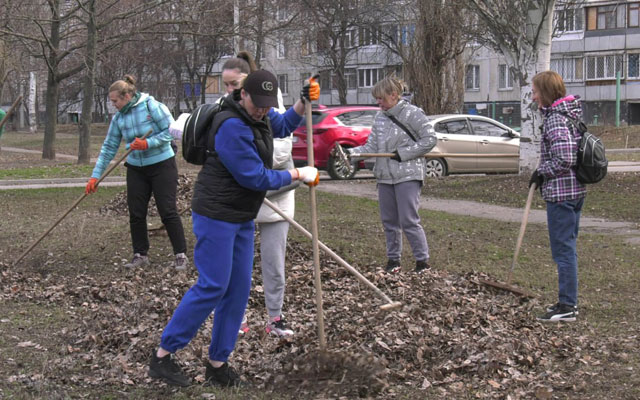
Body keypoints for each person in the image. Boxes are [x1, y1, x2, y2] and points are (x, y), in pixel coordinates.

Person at [148, 70, 320, 387]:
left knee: (238, 289)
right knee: (213, 285)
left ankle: (218, 363)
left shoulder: (258, 115)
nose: (264, 111)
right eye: (259, 104)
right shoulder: (230, 126)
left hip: (241, 214)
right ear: (244, 95)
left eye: (269, 105)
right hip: (216, 214)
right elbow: (254, 177)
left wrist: (301, 103)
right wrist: (298, 175)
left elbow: (279, 126)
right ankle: (162, 356)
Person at [86, 75, 189, 270]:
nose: (113, 105)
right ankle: (140, 254)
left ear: (127, 96)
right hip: (136, 168)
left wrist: (147, 143)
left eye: (115, 101)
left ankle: (180, 255)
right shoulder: (118, 118)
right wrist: (95, 176)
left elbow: (171, 131)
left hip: (162, 164)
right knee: (136, 212)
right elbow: (109, 147)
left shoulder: (152, 106)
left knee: (167, 211)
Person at [348, 76, 436, 273]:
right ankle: (393, 261)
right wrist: (352, 154)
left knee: (408, 220)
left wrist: (403, 154)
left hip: (408, 175)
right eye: (377, 99)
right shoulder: (380, 118)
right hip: (385, 176)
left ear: (394, 95)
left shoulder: (413, 113)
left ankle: (422, 262)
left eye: (381, 98)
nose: (378, 103)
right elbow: (372, 146)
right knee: (389, 221)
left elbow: (430, 139)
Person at [530, 70, 585, 322]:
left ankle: (568, 307)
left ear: (546, 92)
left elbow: (565, 158)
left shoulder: (556, 119)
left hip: (563, 194)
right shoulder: (568, 114)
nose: (533, 96)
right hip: (573, 190)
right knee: (567, 249)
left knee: (563, 251)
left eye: (536, 91)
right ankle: (566, 302)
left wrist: (542, 172)